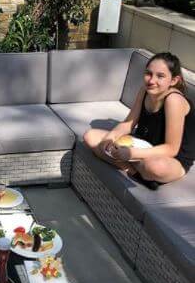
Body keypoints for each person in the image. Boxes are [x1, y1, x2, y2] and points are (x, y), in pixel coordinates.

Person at [83, 52, 195, 188]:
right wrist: (110, 138)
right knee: (91, 136)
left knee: (154, 167)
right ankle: (135, 173)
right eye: (148, 73)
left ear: (173, 80)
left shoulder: (174, 100)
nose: (151, 80)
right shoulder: (144, 90)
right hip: (144, 143)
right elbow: (128, 124)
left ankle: (136, 166)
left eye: (160, 76)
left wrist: (132, 153)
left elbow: (171, 149)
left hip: (173, 158)